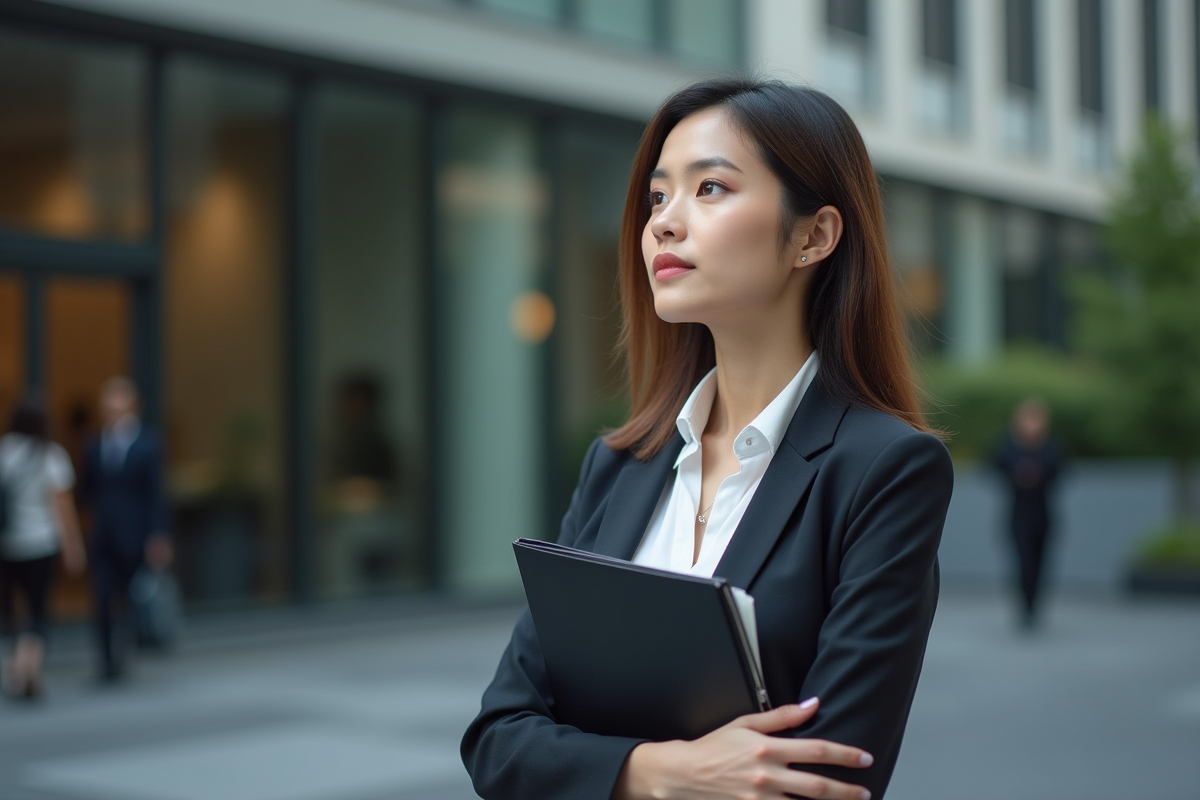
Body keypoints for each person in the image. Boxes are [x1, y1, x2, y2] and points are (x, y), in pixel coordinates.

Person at [461, 79, 954, 800]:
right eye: (658, 197)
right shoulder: (620, 465)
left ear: (813, 235)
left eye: (711, 188)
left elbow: (822, 778)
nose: (664, 222)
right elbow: (499, 738)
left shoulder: (884, 470)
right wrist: (660, 774)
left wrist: (589, 761)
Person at [78, 377, 171, 682]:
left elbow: (155, 493)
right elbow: (88, 491)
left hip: (135, 534)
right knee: (102, 596)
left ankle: (123, 653)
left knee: (130, 598)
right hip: (104, 534)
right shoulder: (94, 444)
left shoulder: (148, 444)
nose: (113, 413)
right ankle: (106, 659)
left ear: (132, 408)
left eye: (119, 407)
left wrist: (157, 535)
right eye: (108, 408)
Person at [0, 394, 86, 699]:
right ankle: (28, 667)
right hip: (41, 543)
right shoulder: (51, 455)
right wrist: (73, 546)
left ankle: (17, 665)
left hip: (8, 545)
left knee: (10, 609)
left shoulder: (4, 451)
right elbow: (62, 507)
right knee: (38, 608)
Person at [991, 398, 1062, 630]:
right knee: (1023, 562)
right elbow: (995, 465)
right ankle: (1025, 607)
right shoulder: (1009, 446)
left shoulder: (1050, 447)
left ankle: (1034, 606)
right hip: (1018, 515)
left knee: (1041, 563)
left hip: (1043, 515)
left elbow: (1060, 470)